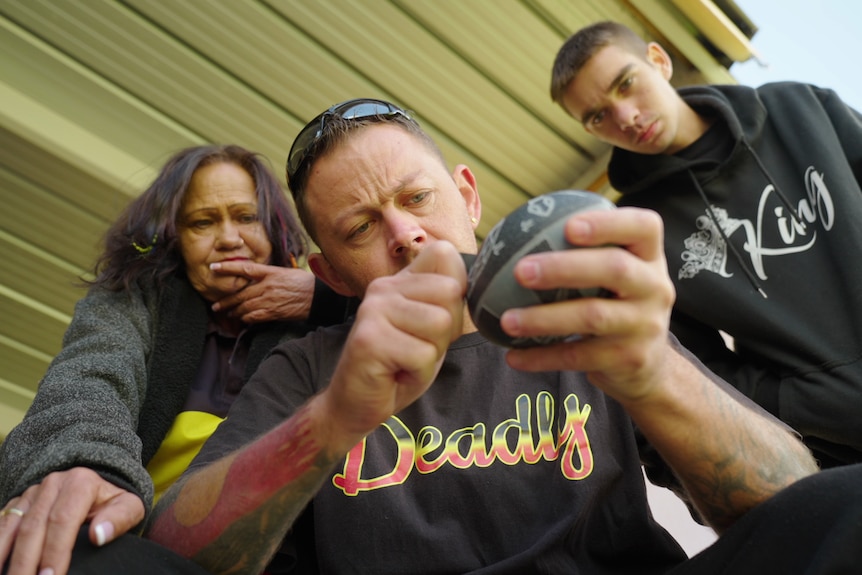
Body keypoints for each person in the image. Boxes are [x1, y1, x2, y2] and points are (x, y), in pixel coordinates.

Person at [142, 98, 862, 575]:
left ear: (468, 195)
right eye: (361, 228)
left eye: (417, 198)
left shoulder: (583, 314)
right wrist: (335, 420)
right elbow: (172, 553)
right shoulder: (307, 370)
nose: (405, 234)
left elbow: (796, 504)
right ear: (330, 272)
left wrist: (653, 372)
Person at [0, 144, 352, 575]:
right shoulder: (136, 302)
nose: (228, 238)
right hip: (133, 546)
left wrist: (324, 300)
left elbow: (431, 314)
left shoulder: (320, 318)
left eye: (245, 217)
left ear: (276, 230)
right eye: (202, 222)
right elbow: (91, 376)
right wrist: (85, 465)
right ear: (174, 239)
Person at [550, 21, 862, 468]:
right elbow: (700, 371)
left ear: (658, 60)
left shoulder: (799, 108)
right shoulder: (637, 231)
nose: (626, 117)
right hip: (846, 454)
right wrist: (810, 401)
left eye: (626, 84)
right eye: (597, 116)